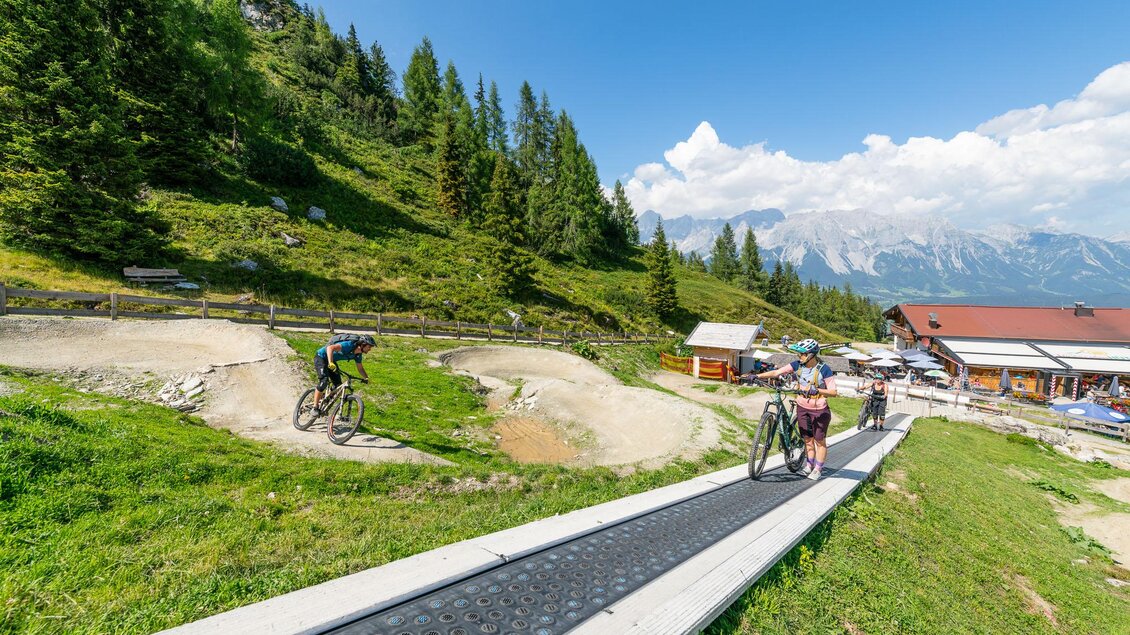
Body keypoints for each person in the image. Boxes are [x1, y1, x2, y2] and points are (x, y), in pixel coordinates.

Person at [753, 338, 837, 480]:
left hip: (819, 410)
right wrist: (756, 376)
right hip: (802, 407)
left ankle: (818, 468)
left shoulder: (824, 369)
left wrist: (817, 390)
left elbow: (834, 392)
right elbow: (776, 372)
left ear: (811, 354)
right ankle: (809, 465)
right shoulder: (797, 365)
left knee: (819, 441)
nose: (799, 356)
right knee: (808, 439)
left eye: (802, 354)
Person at [312, 334, 373, 415]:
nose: (370, 349)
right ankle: (315, 407)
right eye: (369, 347)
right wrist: (330, 362)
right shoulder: (349, 345)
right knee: (324, 381)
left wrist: (366, 378)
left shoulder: (358, 355)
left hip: (331, 361)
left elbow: (360, 368)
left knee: (338, 386)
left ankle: (325, 400)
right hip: (321, 357)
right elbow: (330, 348)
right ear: (363, 344)